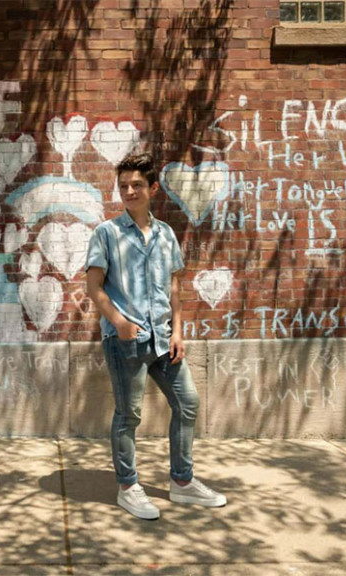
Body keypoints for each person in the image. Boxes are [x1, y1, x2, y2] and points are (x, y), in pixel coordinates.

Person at [84, 152, 226, 520]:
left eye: (136, 185)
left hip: (164, 340)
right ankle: (128, 486)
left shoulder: (166, 234)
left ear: (153, 189)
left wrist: (179, 331)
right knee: (129, 415)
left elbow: (174, 288)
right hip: (126, 340)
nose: (129, 191)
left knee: (187, 402)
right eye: (124, 186)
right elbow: (94, 287)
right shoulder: (107, 233)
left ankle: (182, 483)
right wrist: (118, 322)